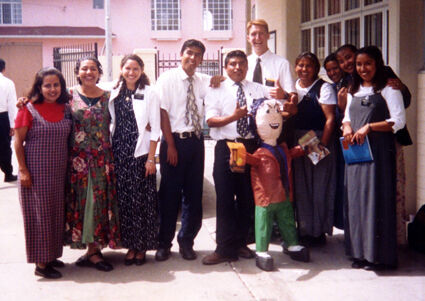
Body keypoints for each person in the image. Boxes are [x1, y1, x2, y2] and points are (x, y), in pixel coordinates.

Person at [336, 44, 411, 244]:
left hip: (379, 152)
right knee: (357, 199)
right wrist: (347, 128)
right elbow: (346, 116)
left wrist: (369, 127)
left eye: (368, 63)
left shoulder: (388, 87)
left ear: (377, 64)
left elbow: (398, 121)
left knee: (376, 201)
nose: (363, 68)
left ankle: (376, 254)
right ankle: (359, 252)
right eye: (359, 64)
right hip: (356, 153)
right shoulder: (353, 88)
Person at [202, 50, 270, 265]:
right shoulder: (216, 89)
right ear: (226, 67)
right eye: (232, 64)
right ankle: (223, 248)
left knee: (246, 198)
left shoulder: (258, 89)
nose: (237, 67)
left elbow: (274, 106)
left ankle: (241, 242)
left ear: (247, 67)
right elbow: (211, 121)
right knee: (224, 199)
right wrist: (234, 116)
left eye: (241, 63)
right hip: (228, 147)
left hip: (250, 147)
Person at [154, 39, 211, 261]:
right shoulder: (167, 79)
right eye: (189, 53)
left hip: (196, 142)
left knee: (194, 195)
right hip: (173, 141)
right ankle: (164, 243)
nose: (193, 58)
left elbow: (221, 82)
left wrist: (219, 78)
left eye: (198, 55)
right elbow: (163, 112)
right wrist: (170, 145)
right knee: (169, 194)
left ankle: (187, 241)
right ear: (180, 54)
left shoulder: (202, 81)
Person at [14, 67, 72, 279]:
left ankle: (51, 255)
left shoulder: (65, 108)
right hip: (36, 173)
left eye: (56, 84)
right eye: (47, 85)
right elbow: (18, 143)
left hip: (59, 172)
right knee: (39, 217)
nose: (52, 89)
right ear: (39, 87)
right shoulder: (28, 109)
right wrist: (23, 171)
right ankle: (41, 263)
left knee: (56, 214)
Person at [65, 57, 120, 271]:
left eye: (93, 69)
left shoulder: (109, 97)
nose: (89, 72)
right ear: (77, 72)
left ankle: (95, 250)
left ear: (99, 72)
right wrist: (23, 102)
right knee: (81, 203)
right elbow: (42, 100)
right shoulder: (67, 96)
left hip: (102, 159)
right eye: (84, 69)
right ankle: (90, 249)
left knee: (98, 203)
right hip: (77, 161)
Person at [109, 54, 160, 266]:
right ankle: (130, 246)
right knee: (125, 202)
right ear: (121, 69)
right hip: (119, 153)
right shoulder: (113, 91)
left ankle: (142, 247)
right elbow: (82, 90)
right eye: (127, 68)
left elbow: (156, 128)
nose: (131, 72)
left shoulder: (150, 93)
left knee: (142, 202)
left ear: (141, 70)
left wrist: (151, 159)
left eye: (136, 68)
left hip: (140, 155)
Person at [291, 52, 337, 246]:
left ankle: (317, 232)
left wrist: (320, 146)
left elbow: (330, 119)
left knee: (319, 187)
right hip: (297, 139)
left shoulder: (324, 88)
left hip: (316, 138)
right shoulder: (293, 87)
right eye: (300, 65)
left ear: (316, 69)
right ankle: (304, 229)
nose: (304, 69)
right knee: (301, 187)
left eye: (308, 65)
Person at [324, 53, 348, 231]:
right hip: (321, 139)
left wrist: (341, 106)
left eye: (335, 68)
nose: (332, 72)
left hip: (336, 140)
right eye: (329, 70)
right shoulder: (328, 87)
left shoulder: (349, 85)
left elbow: (333, 119)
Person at [0, 59, 17, 182]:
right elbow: (12, 105)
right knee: (5, 147)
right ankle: (8, 174)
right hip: (2, 117)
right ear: (4, 69)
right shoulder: (7, 83)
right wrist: (13, 124)